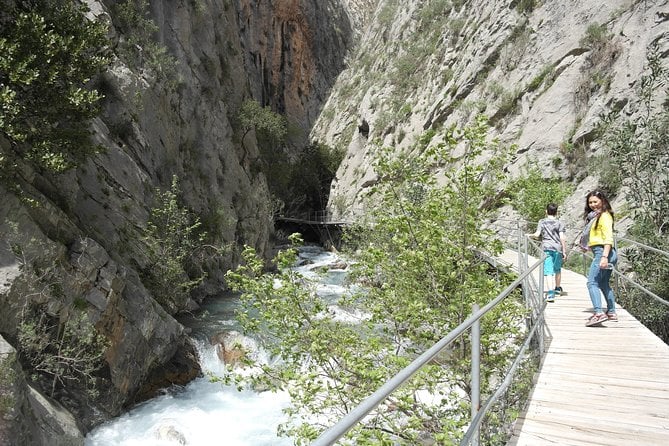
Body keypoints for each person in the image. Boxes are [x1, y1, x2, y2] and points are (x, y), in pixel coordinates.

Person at [581, 190, 618, 327]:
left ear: (602, 201)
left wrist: (603, 257)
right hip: (603, 251)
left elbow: (608, 238)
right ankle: (611, 311)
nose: (592, 205)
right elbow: (599, 236)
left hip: (604, 252)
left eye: (595, 201)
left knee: (592, 283)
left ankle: (598, 313)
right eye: (590, 202)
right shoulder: (595, 217)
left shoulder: (604, 216)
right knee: (603, 283)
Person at [531, 203, 567, 302]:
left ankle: (550, 293)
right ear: (556, 212)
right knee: (557, 268)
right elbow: (562, 238)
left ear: (546, 211)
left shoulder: (542, 222)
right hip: (558, 248)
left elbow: (537, 234)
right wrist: (564, 251)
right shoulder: (560, 223)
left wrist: (529, 235)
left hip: (547, 248)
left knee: (548, 271)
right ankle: (558, 288)